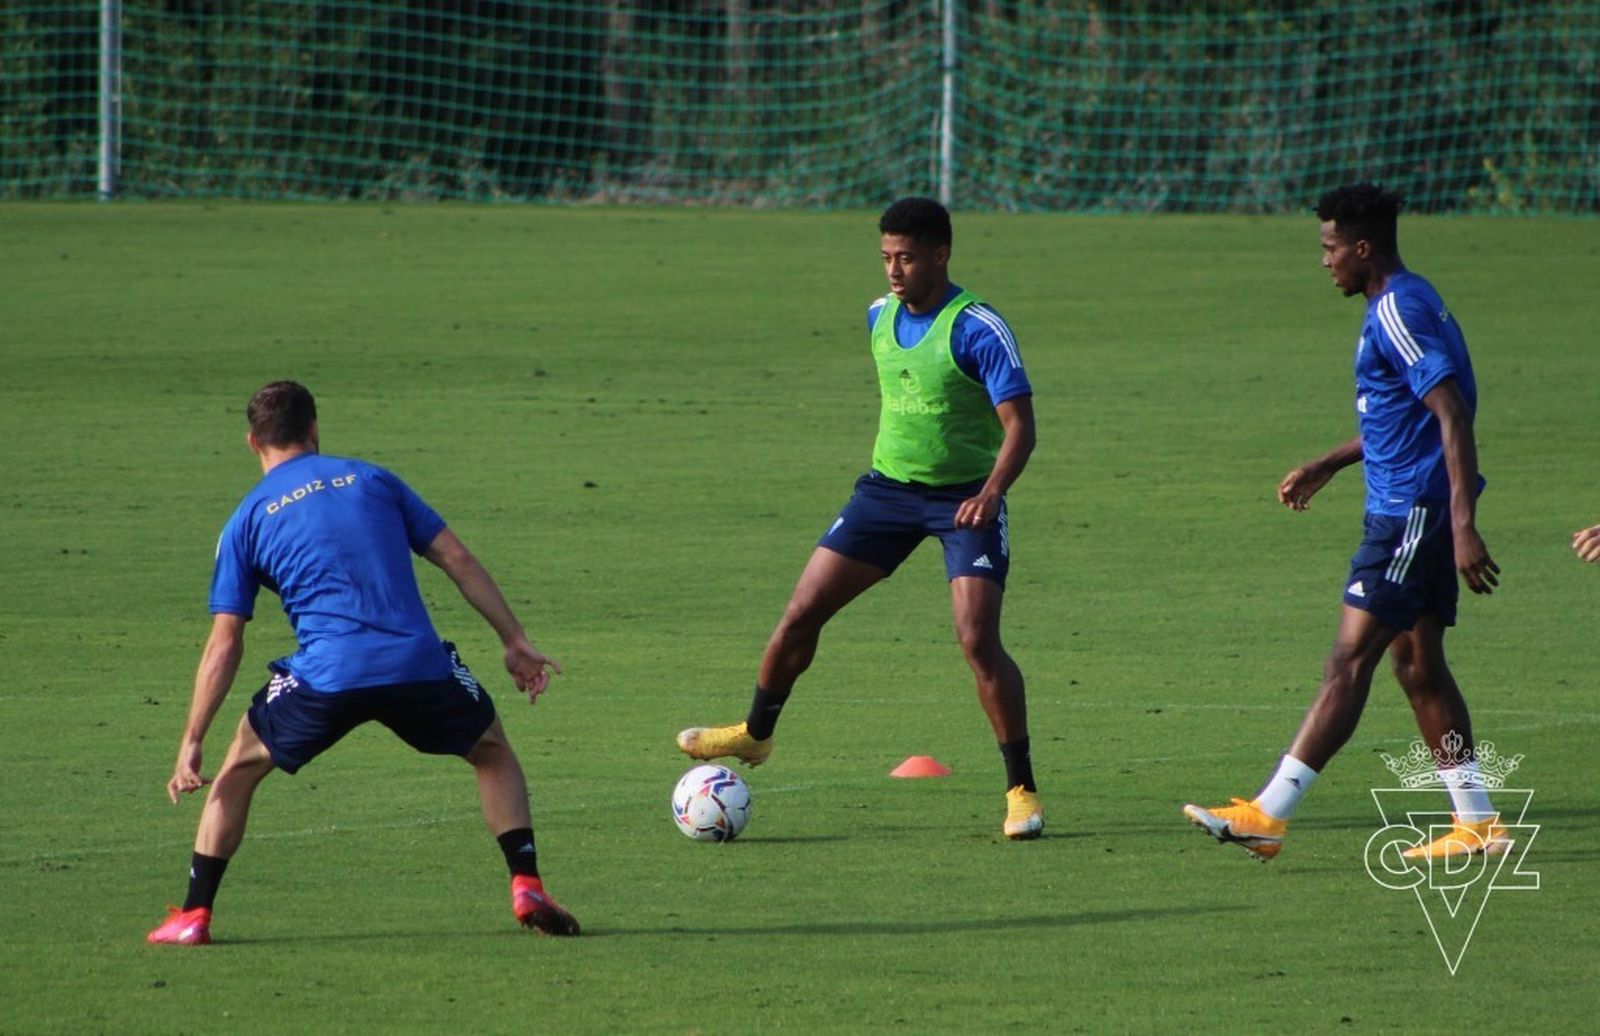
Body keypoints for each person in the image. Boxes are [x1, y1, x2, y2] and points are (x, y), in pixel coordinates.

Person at [147, 381, 578, 944]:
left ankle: (193, 916)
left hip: (326, 678)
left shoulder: (245, 520)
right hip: (418, 666)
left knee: (237, 771)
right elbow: (456, 556)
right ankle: (526, 883)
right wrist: (514, 639)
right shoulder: (373, 479)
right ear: (315, 429)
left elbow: (225, 642)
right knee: (491, 749)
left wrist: (191, 740)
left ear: (253, 442)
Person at [676, 197, 1043, 839]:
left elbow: (1022, 429)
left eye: (905, 257)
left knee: (977, 640)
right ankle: (755, 735)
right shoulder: (878, 316)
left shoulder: (977, 327)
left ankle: (1021, 791)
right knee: (800, 613)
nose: (893, 271)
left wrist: (989, 492)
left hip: (963, 500)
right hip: (885, 494)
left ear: (939, 254)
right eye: (884, 258)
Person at [1183, 183, 1506, 862]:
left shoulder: (1397, 310)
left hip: (1410, 515)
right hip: (1413, 508)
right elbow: (1405, 416)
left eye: (1330, 248)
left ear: (1363, 248)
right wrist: (1331, 461)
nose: (1324, 261)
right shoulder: (1408, 299)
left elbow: (1451, 412)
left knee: (1346, 661)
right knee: (1417, 664)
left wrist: (1462, 521)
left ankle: (1268, 814)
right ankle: (1477, 822)